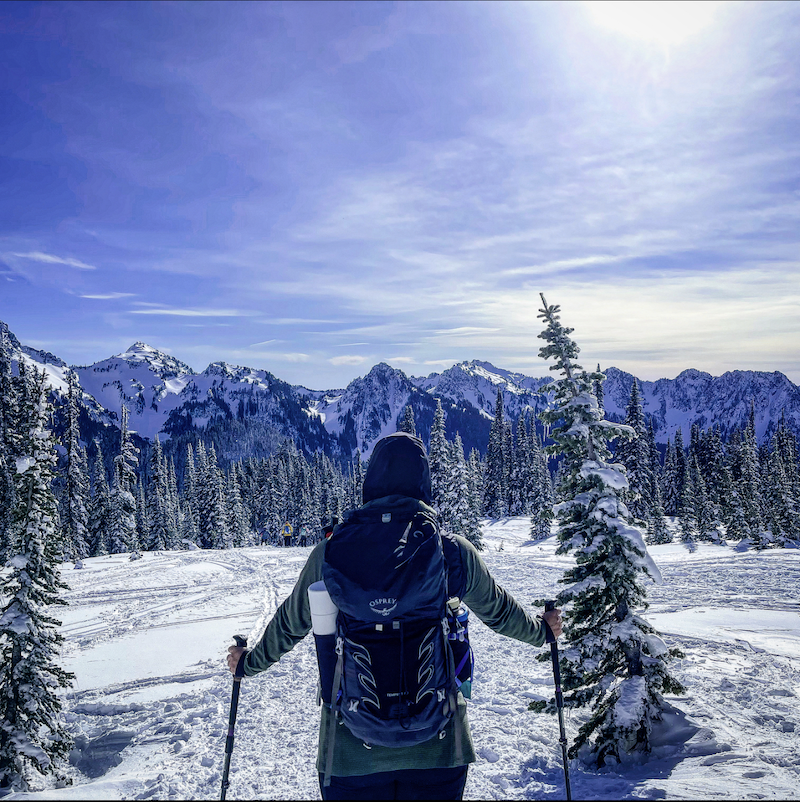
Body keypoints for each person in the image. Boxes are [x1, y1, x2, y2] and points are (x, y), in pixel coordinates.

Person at [228, 433, 562, 801]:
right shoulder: (449, 550)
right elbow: (501, 613)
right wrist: (543, 631)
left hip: (349, 752)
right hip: (438, 747)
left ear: (370, 484)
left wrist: (247, 664)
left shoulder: (332, 552)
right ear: (423, 484)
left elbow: (289, 625)